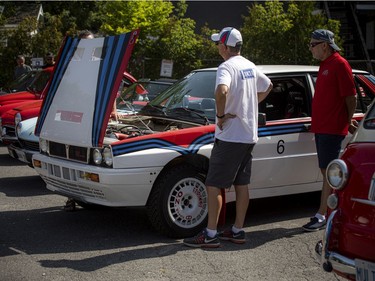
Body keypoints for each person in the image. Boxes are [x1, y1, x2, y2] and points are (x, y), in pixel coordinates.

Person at [183, 27, 273, 248]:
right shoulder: (249, 65)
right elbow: (268, 85)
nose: (217, 47)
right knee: (242, 184)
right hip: (248, 135)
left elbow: (221, 91)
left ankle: (211, 234)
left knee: (213, 184)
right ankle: (237, 230)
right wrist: (249, 105)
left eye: (218, 43)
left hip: (230, 135)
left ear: (224, 45)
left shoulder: (226, 66)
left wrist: (221, 116)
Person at [302, 29, 357, 232]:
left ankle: (322, 214)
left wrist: (348, 120)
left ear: (324, 45)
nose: (310, 48)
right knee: (326, 171)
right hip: (322, 128)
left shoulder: (340, 64)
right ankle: (330, 210)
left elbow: (351, 97)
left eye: (313, 44)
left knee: (328, 172)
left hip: (332, 129)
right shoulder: (325, 65)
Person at [64, 30, 95, 212]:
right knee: (73, 158)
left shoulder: (99, 65)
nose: (88, 47)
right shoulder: (72, 65)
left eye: (91, 43)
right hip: (75, 117)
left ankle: (91, 195)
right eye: (85, 43)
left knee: (91, 159)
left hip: (93, 118)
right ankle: (71, 197)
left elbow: (110, 89)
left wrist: (113, 110)